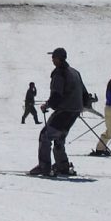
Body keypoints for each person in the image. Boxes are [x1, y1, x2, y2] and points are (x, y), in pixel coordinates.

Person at [29, 48, 88, 177]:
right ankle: (63, 166)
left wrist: (48, 105)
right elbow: (85, 93)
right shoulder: (75, 72)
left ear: (59, 58)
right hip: (75, 111)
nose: (52, 60)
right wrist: (81, 106)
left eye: (54, 57)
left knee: (45, 136)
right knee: (60, 137)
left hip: (64, 110)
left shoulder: (59, 73)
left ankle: (44, 167)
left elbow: (57, 94)